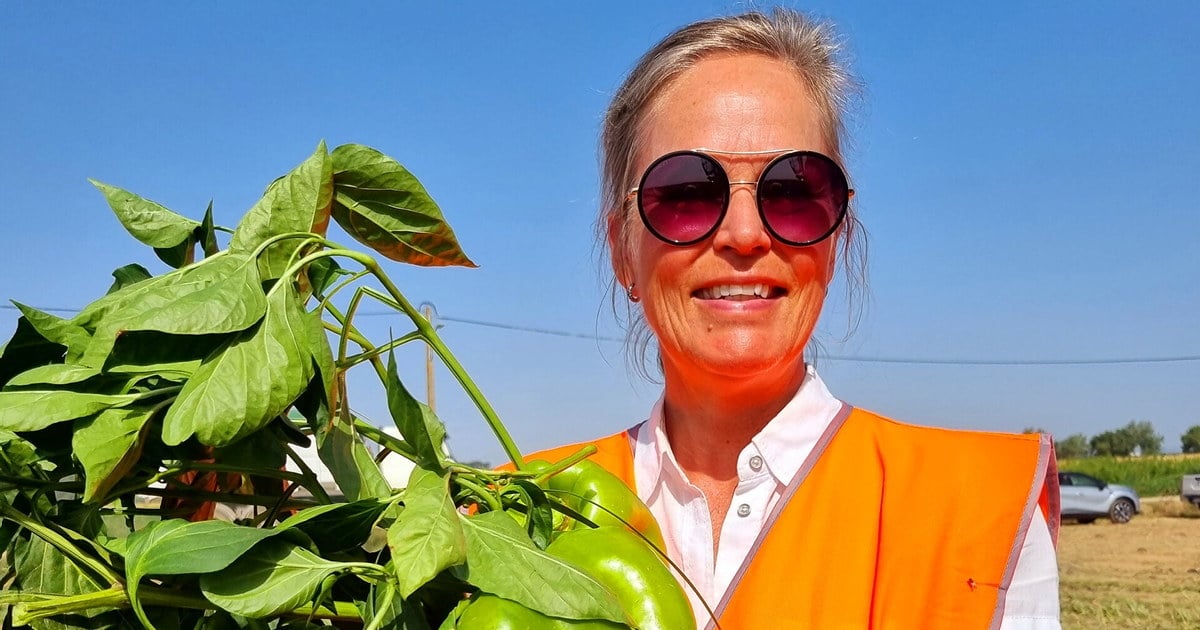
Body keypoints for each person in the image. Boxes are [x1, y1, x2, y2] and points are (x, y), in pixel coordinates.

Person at [531, 8, 1060, 630]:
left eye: (792, 191)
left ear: (837, 234)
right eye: (685, 193)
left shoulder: (978, 509)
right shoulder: (513, 511)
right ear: (623, 246)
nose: (745, 234)